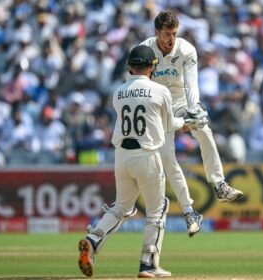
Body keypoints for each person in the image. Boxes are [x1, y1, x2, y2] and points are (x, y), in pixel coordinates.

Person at [77, 45, 203, 278]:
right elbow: (167, 126)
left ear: (129, 67)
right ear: (152, 67)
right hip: (147, 155)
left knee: (122, 206)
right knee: (158, 209)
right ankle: (148, 263)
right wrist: (186, 122)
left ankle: (93, 239)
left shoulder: (118, 92)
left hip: (122, 156)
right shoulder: (159, 90)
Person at [139, 10, 244, 236]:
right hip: (155, 105)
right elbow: (138, 85)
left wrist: (193, 111)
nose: (171, 40)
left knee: (203, 128)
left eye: (175, 33)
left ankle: (219, 184)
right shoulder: (144, 49)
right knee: (167, 158)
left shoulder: (186, 49)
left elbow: (191, 85)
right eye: (167, 34)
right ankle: (189, 211)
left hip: (179, 100)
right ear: (156, 32)